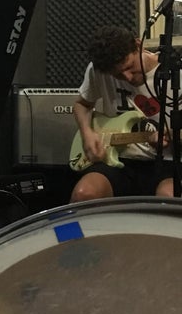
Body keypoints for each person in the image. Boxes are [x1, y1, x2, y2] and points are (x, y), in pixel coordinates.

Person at [70, 25, 174, 202]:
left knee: (169, 198)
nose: (127, 77)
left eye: (130, 67)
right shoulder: (98, 69)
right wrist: (87, 134)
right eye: (117, 75)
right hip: (118, 159)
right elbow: (82, 104)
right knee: (84, 194)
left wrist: (172, 136)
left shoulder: (175, 74)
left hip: (167, 163)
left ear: (138, 45)